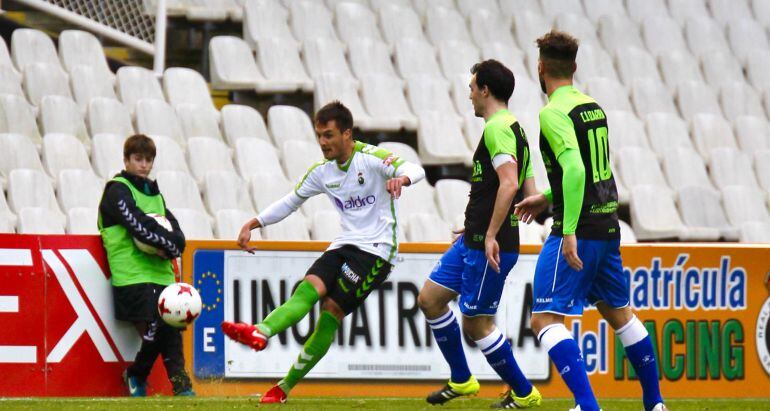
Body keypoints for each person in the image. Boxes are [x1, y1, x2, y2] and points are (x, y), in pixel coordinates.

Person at [221, 101, 425, 404]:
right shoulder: (322, 172)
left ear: (347, 133)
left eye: (328, 135)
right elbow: (291, 201)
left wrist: (402, 178)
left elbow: (414, 168)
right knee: (307, 290)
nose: (322, 143)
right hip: (344, 244)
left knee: (330, 310)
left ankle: (284, 387)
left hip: (377, 251)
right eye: (319, 136)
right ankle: (260, 332)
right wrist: (255, 222)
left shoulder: (370, 158)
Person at [514, 30, 666, 411]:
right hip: (608, 226)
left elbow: (577, 170)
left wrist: (566, 231)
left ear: (541, 68)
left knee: (544, 320)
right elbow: (596, 170)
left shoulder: (552, 112)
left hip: (578, 229)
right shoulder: (593, 106)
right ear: (575, 67)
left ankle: (587, 405)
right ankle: (656, 404)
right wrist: (546, 196)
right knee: (621, 316)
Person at [416, 59, 542, 409]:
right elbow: (529, 189)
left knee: (476, 324)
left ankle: (523, 392)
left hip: (491, 245)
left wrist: (490, 234)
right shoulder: (514, 128)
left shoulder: (497, 129)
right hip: (475, 237)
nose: (469, 94)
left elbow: (510, 183)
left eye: (472, 87)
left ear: (485, 90)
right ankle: (462, 379)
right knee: (430, 298)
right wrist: (475, 224)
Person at [98, 134, 193, 396]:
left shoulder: (155, 193)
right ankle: (178, 382)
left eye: (148, 160)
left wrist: (172, 246)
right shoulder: (117, 190)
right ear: (126, 160)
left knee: (170, 324)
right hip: (131, 273)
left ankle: (148, 376)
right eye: (138, 159)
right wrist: (168, 245)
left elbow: (178, 235)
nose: (143, 165)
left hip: (162, 274)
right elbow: (137, 225)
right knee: (160, 324)